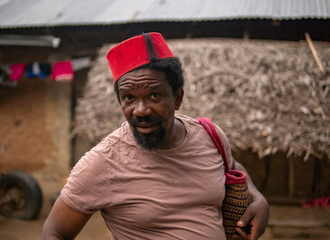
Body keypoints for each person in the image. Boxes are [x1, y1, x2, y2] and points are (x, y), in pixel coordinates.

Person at [42, 32, 269, 240]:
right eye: (128, 98)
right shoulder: (103, 162)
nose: (140, 110)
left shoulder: (210, 136)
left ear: (177, 98)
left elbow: (232, 166)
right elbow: (54, 232)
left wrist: (259, 199)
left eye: (154, 95)